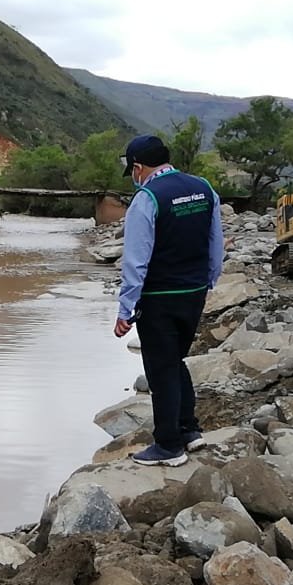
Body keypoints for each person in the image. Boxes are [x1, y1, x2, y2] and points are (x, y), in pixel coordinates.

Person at [113, 135, 224, 466]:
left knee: (160, 370)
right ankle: (190, 430)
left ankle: (168, 446)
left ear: (137, 167)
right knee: (175, 360)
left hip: (159, 296)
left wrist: (125, 309)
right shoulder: (204, 188)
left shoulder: (147, 198)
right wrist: (210, 280)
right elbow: (215, 242)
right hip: (194, 293)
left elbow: (136, 260)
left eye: (132, 171)